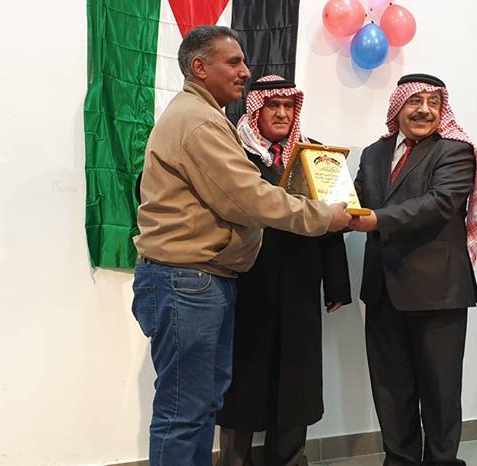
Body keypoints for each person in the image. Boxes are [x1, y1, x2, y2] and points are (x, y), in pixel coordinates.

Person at [131, 26, 351, 466]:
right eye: (233, 62)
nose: (245, 71)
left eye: (244, 62)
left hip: (203, 281)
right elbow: (250, 198)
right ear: (199, 67)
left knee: (202, 404)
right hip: (188, 281)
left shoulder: (203, 116)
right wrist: (326, 217)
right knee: (185, 411)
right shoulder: (199, 121)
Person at [349, 73, 477, 466]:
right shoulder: (373, 153)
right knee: (390, 389)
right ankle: (400, 460)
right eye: (415, 101)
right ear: (398, 106)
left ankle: (442, 462)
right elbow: (355, 199)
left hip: (437, 290)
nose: (424, 110)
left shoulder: (455, 150)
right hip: (382, 289)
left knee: (440, 390)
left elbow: (440, 203)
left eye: (433, 102)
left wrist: (377, 220)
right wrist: (324, 199)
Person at [216, 75, 353, 466]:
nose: (281, 113)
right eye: (272, 106)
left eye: (288, 106)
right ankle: (234, 461)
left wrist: (336, 282)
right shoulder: (232, 152)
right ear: (255, 109)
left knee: (297, 378)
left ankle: (290, 459)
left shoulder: (315, 156)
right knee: (243, 380)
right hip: (246, 283)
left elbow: (334, 217)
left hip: (299, 284)